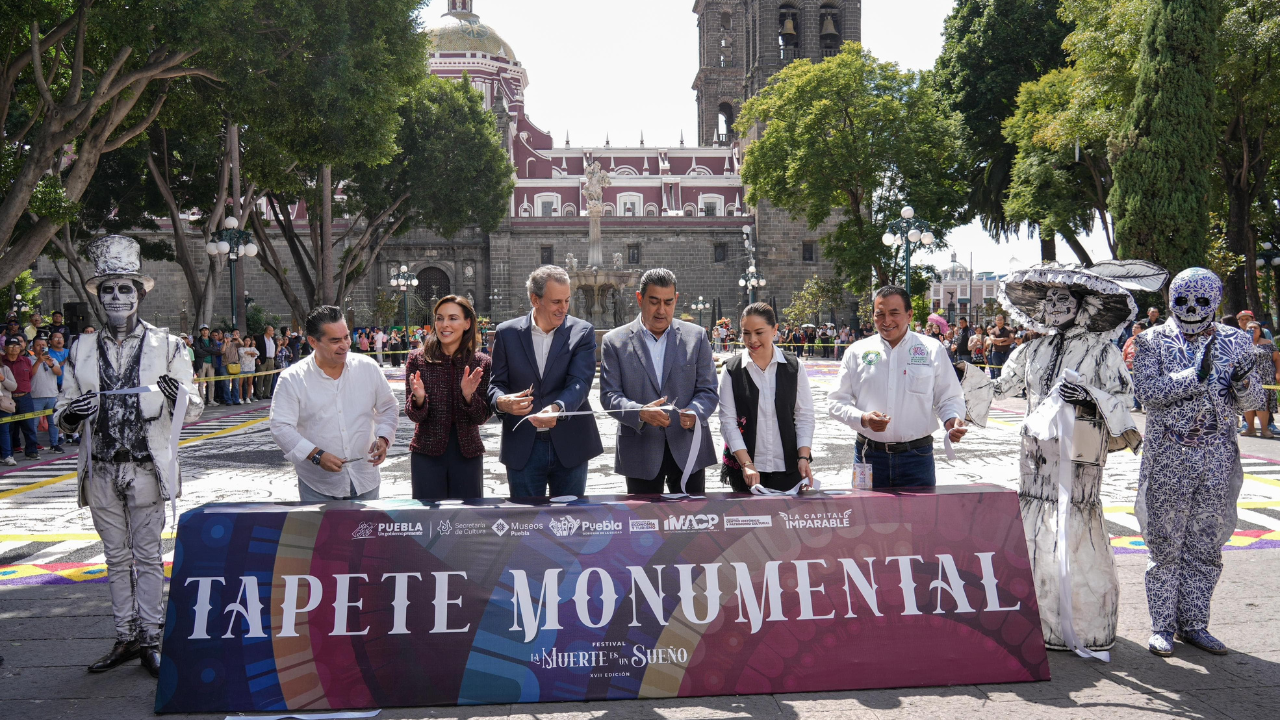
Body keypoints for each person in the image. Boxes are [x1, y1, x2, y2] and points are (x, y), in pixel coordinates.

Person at [53, 234, 203, 677]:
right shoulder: (80, 348)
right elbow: (63, 409)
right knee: (115, 557)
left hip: (145, 468)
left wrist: (178, 397)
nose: (116, 296)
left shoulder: (169, 346)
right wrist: (72, 415)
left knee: (148, 555)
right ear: (98, 296)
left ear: (139, 294)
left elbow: (194, 408)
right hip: (100, 469)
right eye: (108, 289)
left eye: (125, 288)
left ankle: (150, 637)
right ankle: (125, 635)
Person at [993, 264, 1147, 654]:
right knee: (1034, 532)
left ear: (1082, 306)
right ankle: (1036, 621)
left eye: (1063, 299)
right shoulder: (1031, 350)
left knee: (1075, 529)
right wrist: (951, 377)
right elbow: (999, 388)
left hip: (1079, 459)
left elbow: (1124, 397)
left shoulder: (1101, 350)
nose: (1055, 306)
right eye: (1049, 300)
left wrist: (1089, 398)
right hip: (1035, 461)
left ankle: (1078, 626)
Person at [1131, 268, 1265, 657]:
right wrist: (1195, 376)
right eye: (1182, 301)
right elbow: (1147, 393)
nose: (1191, 309)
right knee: (1164, 544)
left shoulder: (1237, 341)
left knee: (1206, 545)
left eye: (1202, 301)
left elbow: (1255, 401)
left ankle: (1194, 624)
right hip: (1169, 456)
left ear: (1216, 302)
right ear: (1171, 301)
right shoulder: (1152, 340)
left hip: (1217, 457)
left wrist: (1242, 381)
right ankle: (1162, 626)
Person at [828, 286, 968, 488]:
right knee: (866, 510)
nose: (886, 321)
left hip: (917, 458)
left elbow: (949, 397)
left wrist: (951, 419)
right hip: (868, 457)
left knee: (920, 510)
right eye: (880, 314)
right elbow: (835, 402)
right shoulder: (856, 352)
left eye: (894, 313)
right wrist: (863, 419)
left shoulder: (931, 350)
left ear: (909, 315)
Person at [488, 266, 603, 497]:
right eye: (556, 302)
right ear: (535, 300)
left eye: (567, 300)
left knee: (570, 517)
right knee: (525, 518)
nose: (564, 308)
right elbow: (495, 384)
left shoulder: (582, 332)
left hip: (571, 444)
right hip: (522, 446)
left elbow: (580, 382)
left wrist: (557, 408)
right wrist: (502, 402)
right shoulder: (507, 333)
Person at [601, 268, 719, 494]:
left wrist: (695, 412)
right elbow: (609, 396)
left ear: (676, 299)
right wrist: (639, 412)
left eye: (668, 302)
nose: (661, 310)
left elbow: (708, 389)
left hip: (687, 447)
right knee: (643, 517)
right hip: (639, 449)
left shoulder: (696, 337)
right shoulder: (614, 341)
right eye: (654, 302)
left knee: (691, 516)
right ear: (639, 298)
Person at [270, 306, 398, 502]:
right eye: (335, 341)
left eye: (346, 337)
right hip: (318, 485)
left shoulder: (368, 368)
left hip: (365, 478)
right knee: (319, 525)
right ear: (313, 341)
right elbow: (280, 427)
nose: (345, 345)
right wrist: (316, 455)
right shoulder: (292, 379)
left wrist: (383, 438)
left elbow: (388, 407)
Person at [718, 303, 816, 493]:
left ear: (774, 330)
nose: (752, 340)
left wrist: (803, 457)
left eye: (759, 332)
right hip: (746, 470)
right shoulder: (731, 370)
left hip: (789, 467)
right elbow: (727, 422)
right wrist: (746, 463)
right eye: (746, 333)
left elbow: (804, 415)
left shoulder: (793, 366)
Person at [405, 296, 492, 499]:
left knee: (468, 516)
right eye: (440, 318)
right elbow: (413, 415)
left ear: (467, 323)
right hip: (426, 452)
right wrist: (419, 399)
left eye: (453, 318)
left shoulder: (481, 363)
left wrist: (468, 396)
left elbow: (482, 417)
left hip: (467, 453)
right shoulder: (417, 359)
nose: (445, 324)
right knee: (427, 516)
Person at [1, 336, 39, 460]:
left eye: (17, 345)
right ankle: (7, 454)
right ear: (5, 347)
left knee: (29, 426)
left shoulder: (26, 360)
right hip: (7, 399)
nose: (14, 348)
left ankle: (32, 451)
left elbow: (30, 376)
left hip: (24, 397)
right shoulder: (1, 362)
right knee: (8, 428)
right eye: (11, 346)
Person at [1241, 321, 1279, 438]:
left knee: (1263, 404)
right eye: (1250, 328)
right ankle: (1250, 429)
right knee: (1248, 404)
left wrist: (1278, 373)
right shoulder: (1241, 344)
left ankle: (1264, 429)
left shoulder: (1268, 343)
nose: (1252, 330)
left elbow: (1277, 359)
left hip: (1265, 378)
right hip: (1246, 378)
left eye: (1255, 328)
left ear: (1260, 330)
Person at [29, 335, 64, 453]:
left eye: (43, 345)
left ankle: (54, 444)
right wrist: (39, 361)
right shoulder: (29, 360)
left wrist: (51, 365)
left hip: (52, 395)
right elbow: (30, 374)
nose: (41, 347)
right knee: (33, 423)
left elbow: (59, 373)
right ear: (33, 347)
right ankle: (33, 446)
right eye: (38, 345)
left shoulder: (52, 359)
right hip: (36, 396)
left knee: (53, 422)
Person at [1124, 321, 1148, 411]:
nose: (1133, 329)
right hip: (1129, 366)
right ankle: (1136, 405)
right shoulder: (1130, 339)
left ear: (1143, 330)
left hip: (1142, 367)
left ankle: (1145, 407)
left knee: (1143, 387)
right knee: (1133, 387)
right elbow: (1125, 351)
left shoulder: (1146, 339)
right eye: (1133, 327)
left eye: (1137, 328)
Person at [192, 325, 217, 405]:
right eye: (203, 330)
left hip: (211, 363)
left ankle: (211, 400)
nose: (205, 331)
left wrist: (205, 349)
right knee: (201, 383)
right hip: (201, 363)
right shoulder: (197, 341)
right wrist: (210, 351)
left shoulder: (212, 340)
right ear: (200, 331)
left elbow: (215, 350)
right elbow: (198, 352)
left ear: (208, 331)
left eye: (206, 330)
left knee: (211, 383)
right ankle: (202, 400)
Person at [254, 325, 277, 400]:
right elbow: (255, 348)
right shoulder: (260, 338)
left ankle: (266, 393)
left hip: (271, 359)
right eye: (272, 330)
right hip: (262, 359)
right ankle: (259, 393)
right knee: (260, 377)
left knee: (269, 377)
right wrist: (257, 358)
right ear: (268, 331)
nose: (273, 332)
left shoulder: (273, 339)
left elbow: (276, 347)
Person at [0, 358, 15, 465]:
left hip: (3, 404)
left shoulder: (4, 369)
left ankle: (7, 456)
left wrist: (3, 379)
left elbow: (13, 387)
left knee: (4, 431)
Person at [238, 336, 259, 402]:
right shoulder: (240, 348)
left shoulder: (253, 348)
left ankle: (248, 397)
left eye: (249, 341)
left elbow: (257, 354)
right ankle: (240, 398)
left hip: (251, 368)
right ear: (244, 341)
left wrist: (249, 353)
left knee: (250, 383)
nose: (247, 342)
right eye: (246, 341)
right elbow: (242, 355)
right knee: (240, 384)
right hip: (242, 368)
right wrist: (251, 353)